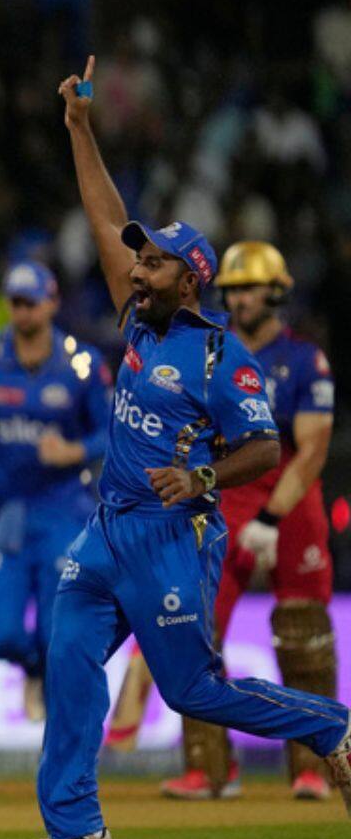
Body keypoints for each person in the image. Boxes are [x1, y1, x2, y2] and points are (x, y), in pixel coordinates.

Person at [15, 59, 351, 839]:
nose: (136, 267)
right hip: (108, 530)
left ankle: (331, 724)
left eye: (154, 262)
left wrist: (201, 478)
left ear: (189, 279)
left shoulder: (222, 360)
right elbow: (106, 217)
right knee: (66, 662)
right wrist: (80, 129)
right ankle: (78, 836)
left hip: (174, 539)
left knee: (194, 692)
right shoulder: (139, 320)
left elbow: (267, 448)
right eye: (139, 260)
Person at [159, 240, 338, 801]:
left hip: (290, 500)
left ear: (277, 290)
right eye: (232, 288)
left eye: (251, 287)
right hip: (225, 495)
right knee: (197, 628)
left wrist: (270, 517)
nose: (240, 298)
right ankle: (209, 770)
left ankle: (314, 768)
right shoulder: (212, 351)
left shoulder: (306, 360)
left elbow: (310, 452)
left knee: (303, 635)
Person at [0, 261, 109, 721]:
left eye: (31, 302)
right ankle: (32, 670)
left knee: (60, 634)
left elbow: (112, 430)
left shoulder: (83, 364)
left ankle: (63, 744)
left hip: (65, 510)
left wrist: (75, 450)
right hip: (3, 511)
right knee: (4, 635)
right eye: (15, 302)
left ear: (52, 303)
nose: (23, 311)